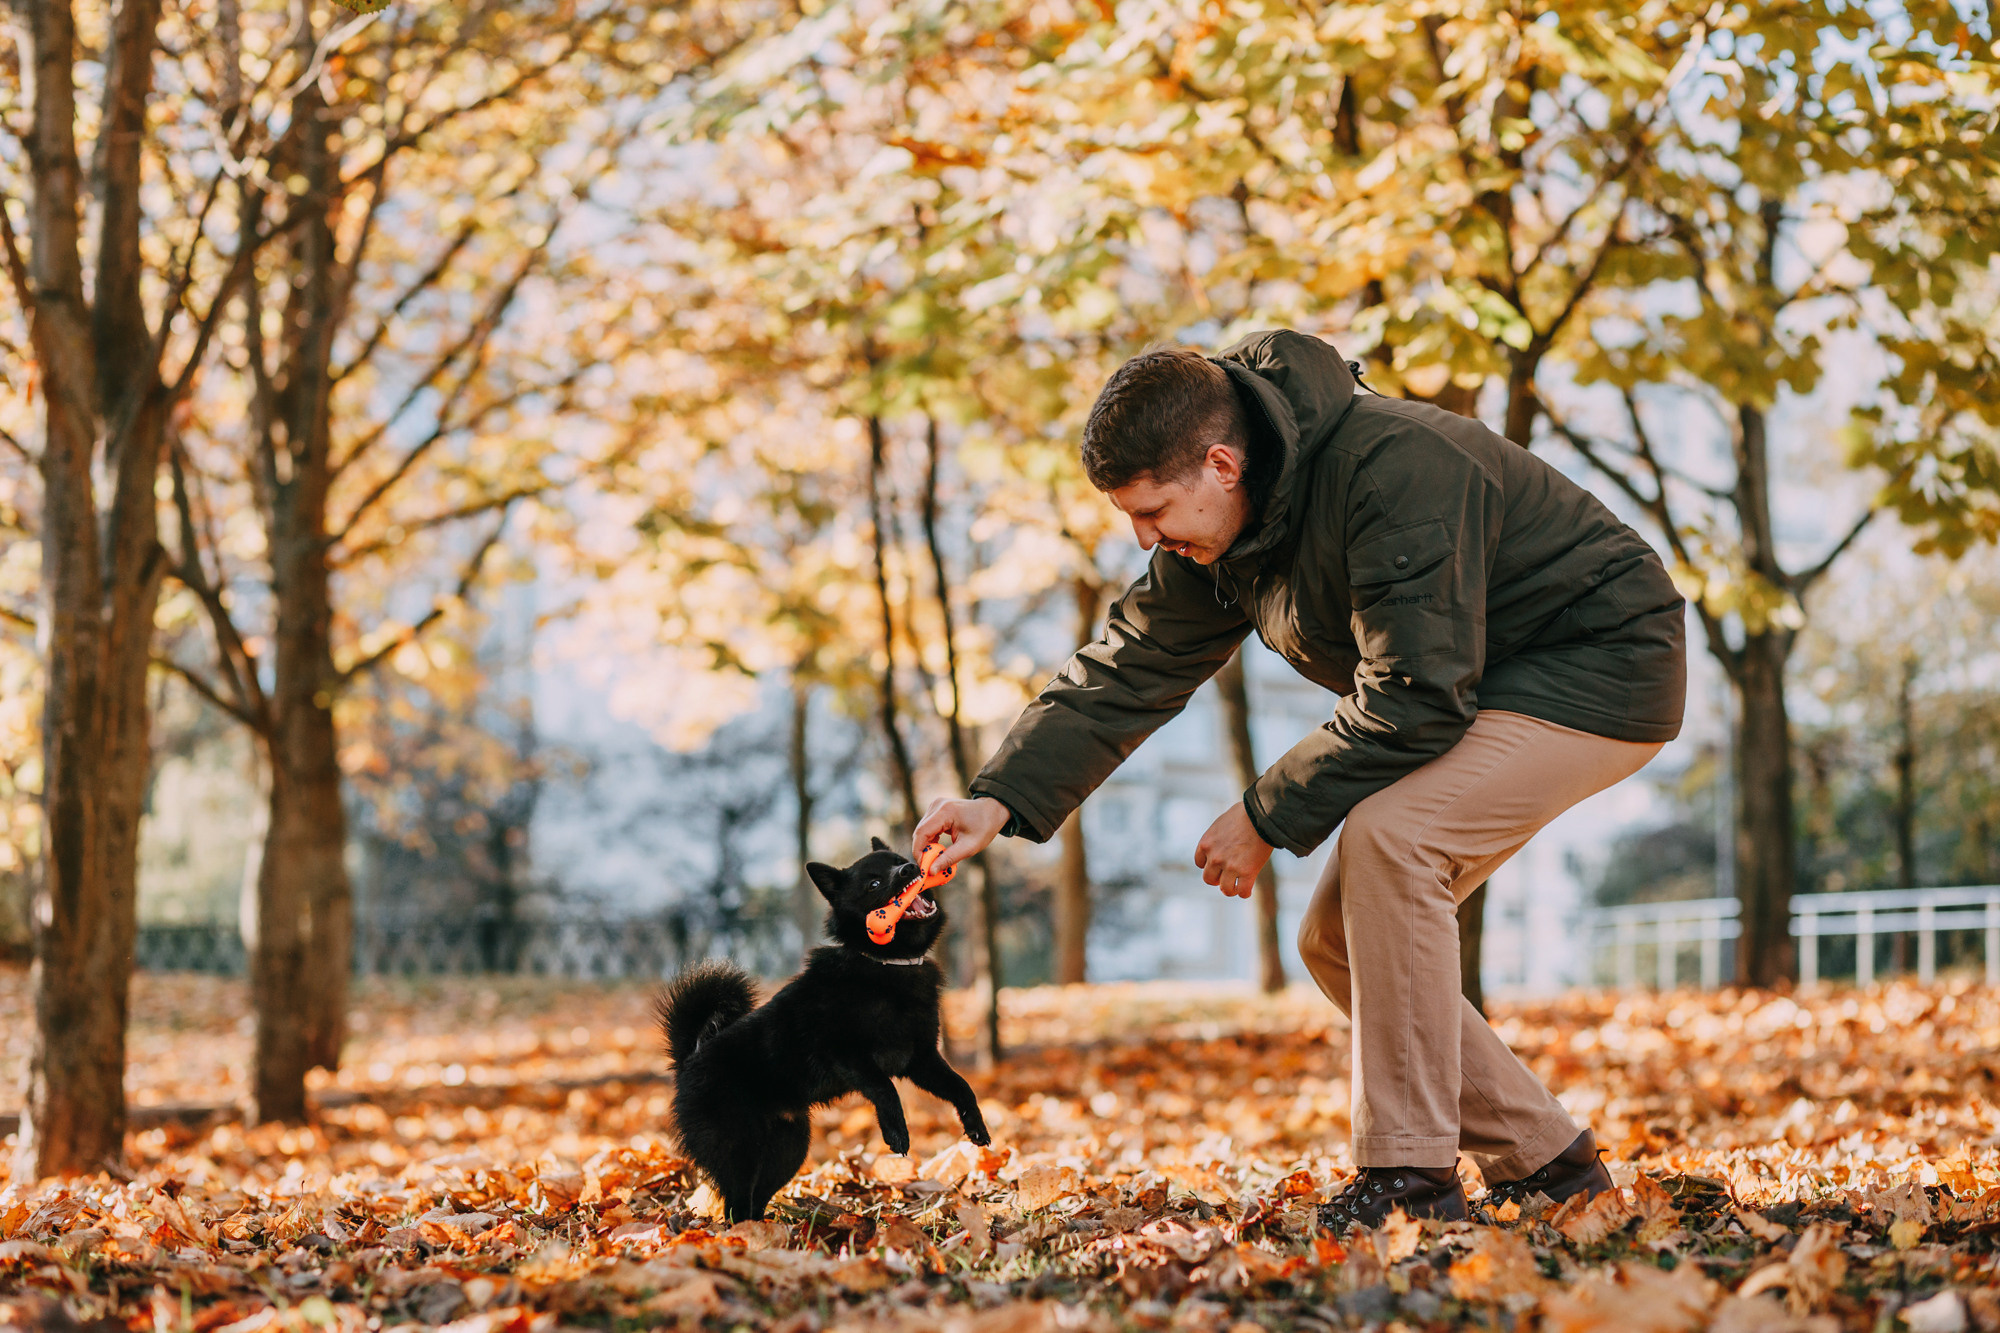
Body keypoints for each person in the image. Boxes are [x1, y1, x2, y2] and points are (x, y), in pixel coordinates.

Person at [914, 330, 1686, 1227]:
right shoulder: (1230, 531)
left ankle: (1412, 1178)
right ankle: (1549, 1163)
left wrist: (1263, 815)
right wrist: (996, 797)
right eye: (1131, 517)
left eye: (1155, 509)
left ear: (1221, 463)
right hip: (1485, 677)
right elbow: (1126, 665)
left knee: (1397, 841)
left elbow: (1415, 694)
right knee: (1335, 935)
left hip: (1601, 664)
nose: (1145, 537)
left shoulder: (1393, 471)